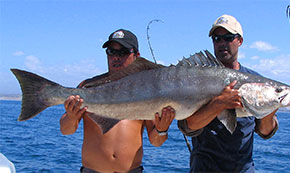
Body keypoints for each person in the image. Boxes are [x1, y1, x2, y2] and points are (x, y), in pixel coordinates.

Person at [60, 29, 175, 173]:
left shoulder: (148, 90)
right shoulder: (88, 87)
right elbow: (66, 130)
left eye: (123, 52)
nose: (116, 57)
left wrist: (161, 129)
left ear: (137, 55)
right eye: (111, 52)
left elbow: (156, 141)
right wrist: (71, 117)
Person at [178, 14, 279, 172]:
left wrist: (270, 110)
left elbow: (265, 131)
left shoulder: (256, 82)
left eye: (228, 37)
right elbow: (188, 127)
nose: (222, 43)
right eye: (217, 38)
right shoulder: (195, 80)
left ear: (240, 41)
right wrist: (219, 104)